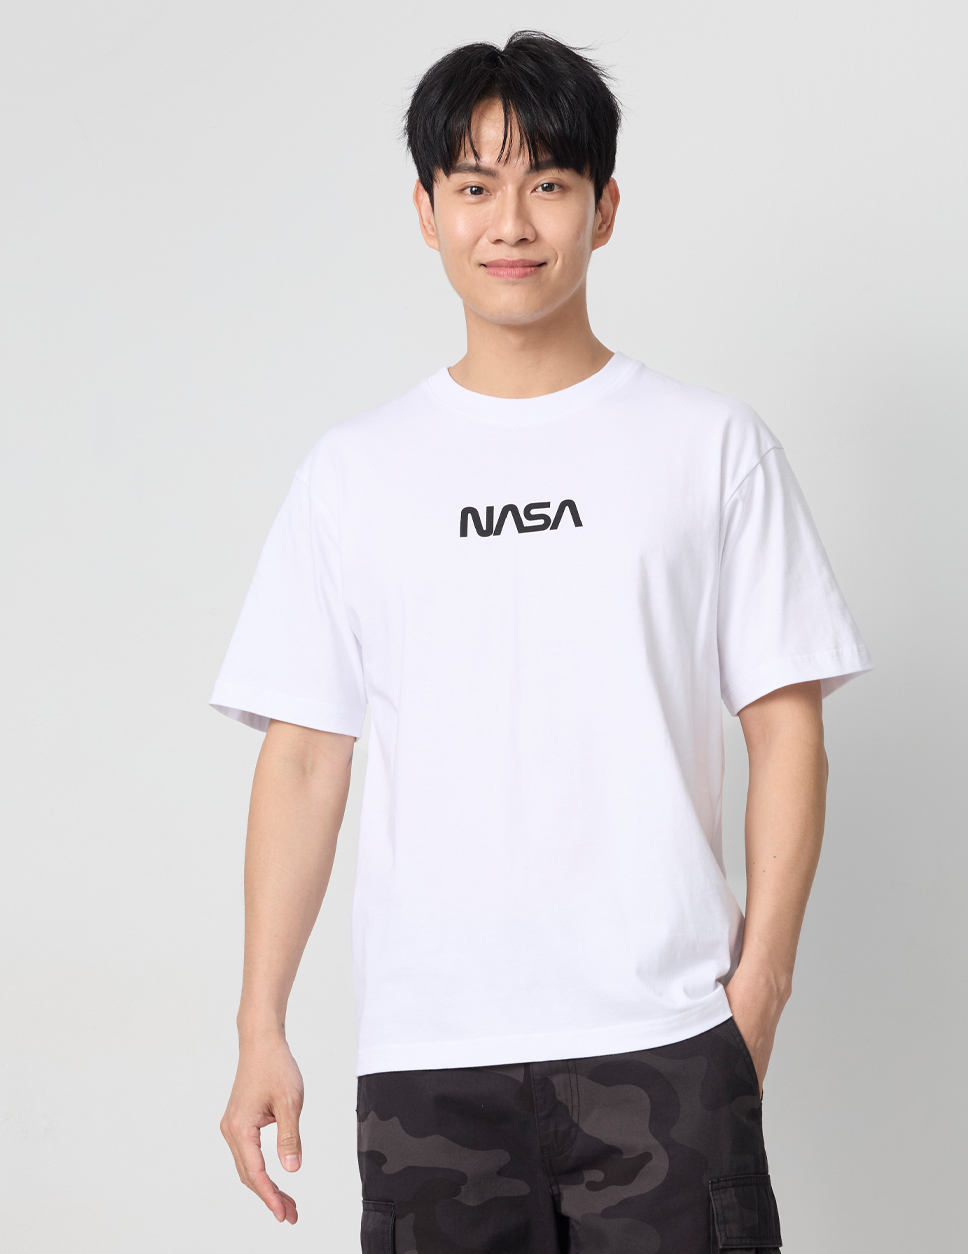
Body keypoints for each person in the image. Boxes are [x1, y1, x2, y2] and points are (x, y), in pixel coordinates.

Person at [212, 30, 872, 1253]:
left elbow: (785, 727)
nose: (510, 223)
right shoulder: (355, 474)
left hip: (665, 1042)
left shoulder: (709, 447)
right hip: (429, 1062)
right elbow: (302, 757)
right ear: (426, 212)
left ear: (604, 208)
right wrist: (262, 1024)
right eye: (474, 186)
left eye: (549, 183)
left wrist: (759, 990)